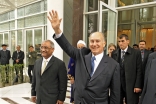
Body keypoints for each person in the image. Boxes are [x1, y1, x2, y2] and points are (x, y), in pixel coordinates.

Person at [48, 10, 120, 104]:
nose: (94, 44)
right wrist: (57, 30)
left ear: (104, 43)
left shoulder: (113, 65)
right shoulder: (82, 54)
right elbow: (68, 47)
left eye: (97, 41)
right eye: (92, 41)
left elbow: (115, 94)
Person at [31, 40, 67, 104]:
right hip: (39, 99)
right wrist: (33, 93)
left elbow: (63, 84)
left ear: (52, 49)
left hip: (52, 99)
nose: (43, 50)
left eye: (46, 48)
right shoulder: (37, 62)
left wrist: (61, 98)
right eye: (41, 47)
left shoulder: (59, 64)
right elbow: (34, 79)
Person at [111, 34, 142, 104]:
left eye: (123, 41)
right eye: (119, 41)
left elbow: (139, 69)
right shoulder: (114, 53)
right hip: (118, 84)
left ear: (128, 41)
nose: (120, 43)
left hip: (131, 84)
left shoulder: (136, 53)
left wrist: (138, 85)